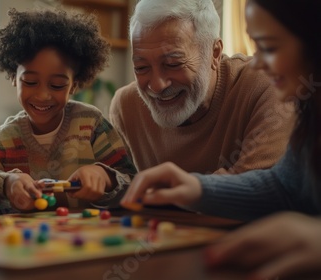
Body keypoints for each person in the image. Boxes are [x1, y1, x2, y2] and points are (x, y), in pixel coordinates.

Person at [122, 0, 321, 278]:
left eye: (270, 47)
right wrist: (199, 189)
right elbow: (284, 187)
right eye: (256, 45)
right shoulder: (309, 106)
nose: (259, 63)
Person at [0, 8, 136, 212]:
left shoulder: (91, 125)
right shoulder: (1, 143)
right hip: (25, 241)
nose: (42, 95)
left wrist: (106, 177)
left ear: (74, 85)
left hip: (88, 241)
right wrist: (6, 183)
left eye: (57, 85)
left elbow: (132, 180)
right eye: (30, 82)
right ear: (13, 78)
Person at [109, 0, 295, 175]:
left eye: (173, 64)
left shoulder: (267, 86)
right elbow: (119, 189)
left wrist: (166, 192)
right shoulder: (126, 107)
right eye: (141, 68)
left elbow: (256, 191)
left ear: (214, 53)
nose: (157, 86)